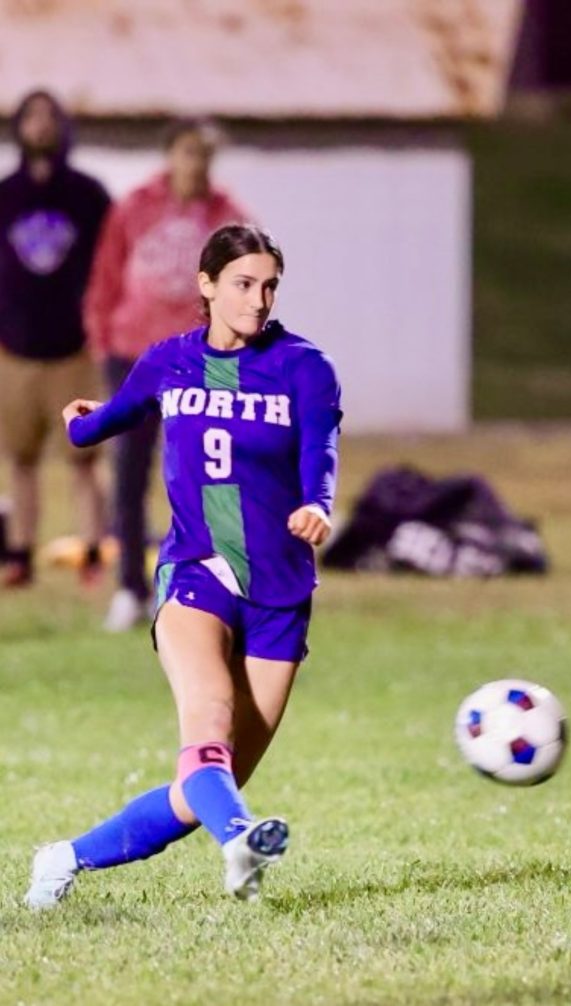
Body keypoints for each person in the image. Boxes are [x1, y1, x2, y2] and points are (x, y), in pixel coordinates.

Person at [25, 224, 342, 908]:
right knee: (207, 728)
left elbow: (321, 451)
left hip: (280, 593)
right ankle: (243, 845)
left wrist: (318, 505)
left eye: (269, 286)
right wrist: (80, 422)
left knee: (208, 784)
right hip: (196, 573)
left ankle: (63, 859)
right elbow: (106, 421)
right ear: (207, 284)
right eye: (243, 284)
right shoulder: (169, 361)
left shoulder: (305, 368)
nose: (258, 300)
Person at [84, 117, 248, 630]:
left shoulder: (228, 217)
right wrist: (103, 343)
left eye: (204, 154)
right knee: (129, 473)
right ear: (170, 154)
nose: (194, 164)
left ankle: (203, 587)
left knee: (203, 475)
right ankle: (130, 588)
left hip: (200, 361)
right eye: (186, 152)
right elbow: (106, 277)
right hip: (135, 354)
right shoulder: (134, 207)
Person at [0, 89, 110, 587]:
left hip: (73, 350)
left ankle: (92, 553)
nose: (40, 125)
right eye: (31, 116)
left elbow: (111, 266)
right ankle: (20, 555)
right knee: (21, 460)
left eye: (49, 116)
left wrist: (100, 326)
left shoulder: (87, 195)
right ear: (19, 127)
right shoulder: (6, 195)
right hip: (16, 353)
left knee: (84, 460)